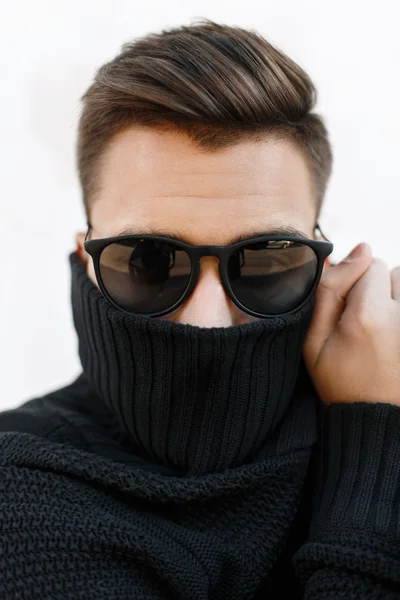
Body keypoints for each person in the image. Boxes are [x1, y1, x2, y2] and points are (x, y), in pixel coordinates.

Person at [1, 18, 399, 600]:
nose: (206, 319)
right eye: (150, 262)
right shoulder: (21, 492)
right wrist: (375, 440)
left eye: (266, 260)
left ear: (324, 256)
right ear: (86, 257)